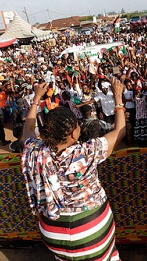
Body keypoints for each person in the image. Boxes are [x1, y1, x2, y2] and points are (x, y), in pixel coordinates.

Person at [20, 77, 126, 261]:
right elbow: (120, 132)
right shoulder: (86, 153)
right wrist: (118, 99)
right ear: (73, 133)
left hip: (53, 233)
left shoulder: (35, 151)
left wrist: (36, 99)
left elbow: (27, 131)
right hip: (91, 232)